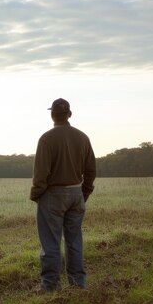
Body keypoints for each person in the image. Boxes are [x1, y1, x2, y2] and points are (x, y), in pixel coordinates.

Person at [30, 98, 96, 291]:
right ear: (70, 114)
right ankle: (77, 285)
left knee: (50, 242)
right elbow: (91, 170)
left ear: (52, 115)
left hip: (52, 196)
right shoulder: (83, 137)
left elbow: (40, 174)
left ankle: (50, 286)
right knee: (74, 241)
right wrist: (84, 192)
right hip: (76, 193)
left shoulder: (46, 138)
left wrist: (36, 195)